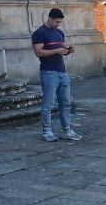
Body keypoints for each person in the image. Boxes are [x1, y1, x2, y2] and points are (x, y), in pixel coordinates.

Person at [33, 8, 81, 142]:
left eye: (60, 22)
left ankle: (67, 129)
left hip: (62, 72)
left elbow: (63, 47)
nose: (58, 24)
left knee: (65, 102)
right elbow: (38, 52)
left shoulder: (59, 33)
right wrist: (56, 51)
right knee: (48, 103)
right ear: (50, 18)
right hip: (48, 72)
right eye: (57, 21)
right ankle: (47, 131)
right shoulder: (39, 33)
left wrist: (68, 50)